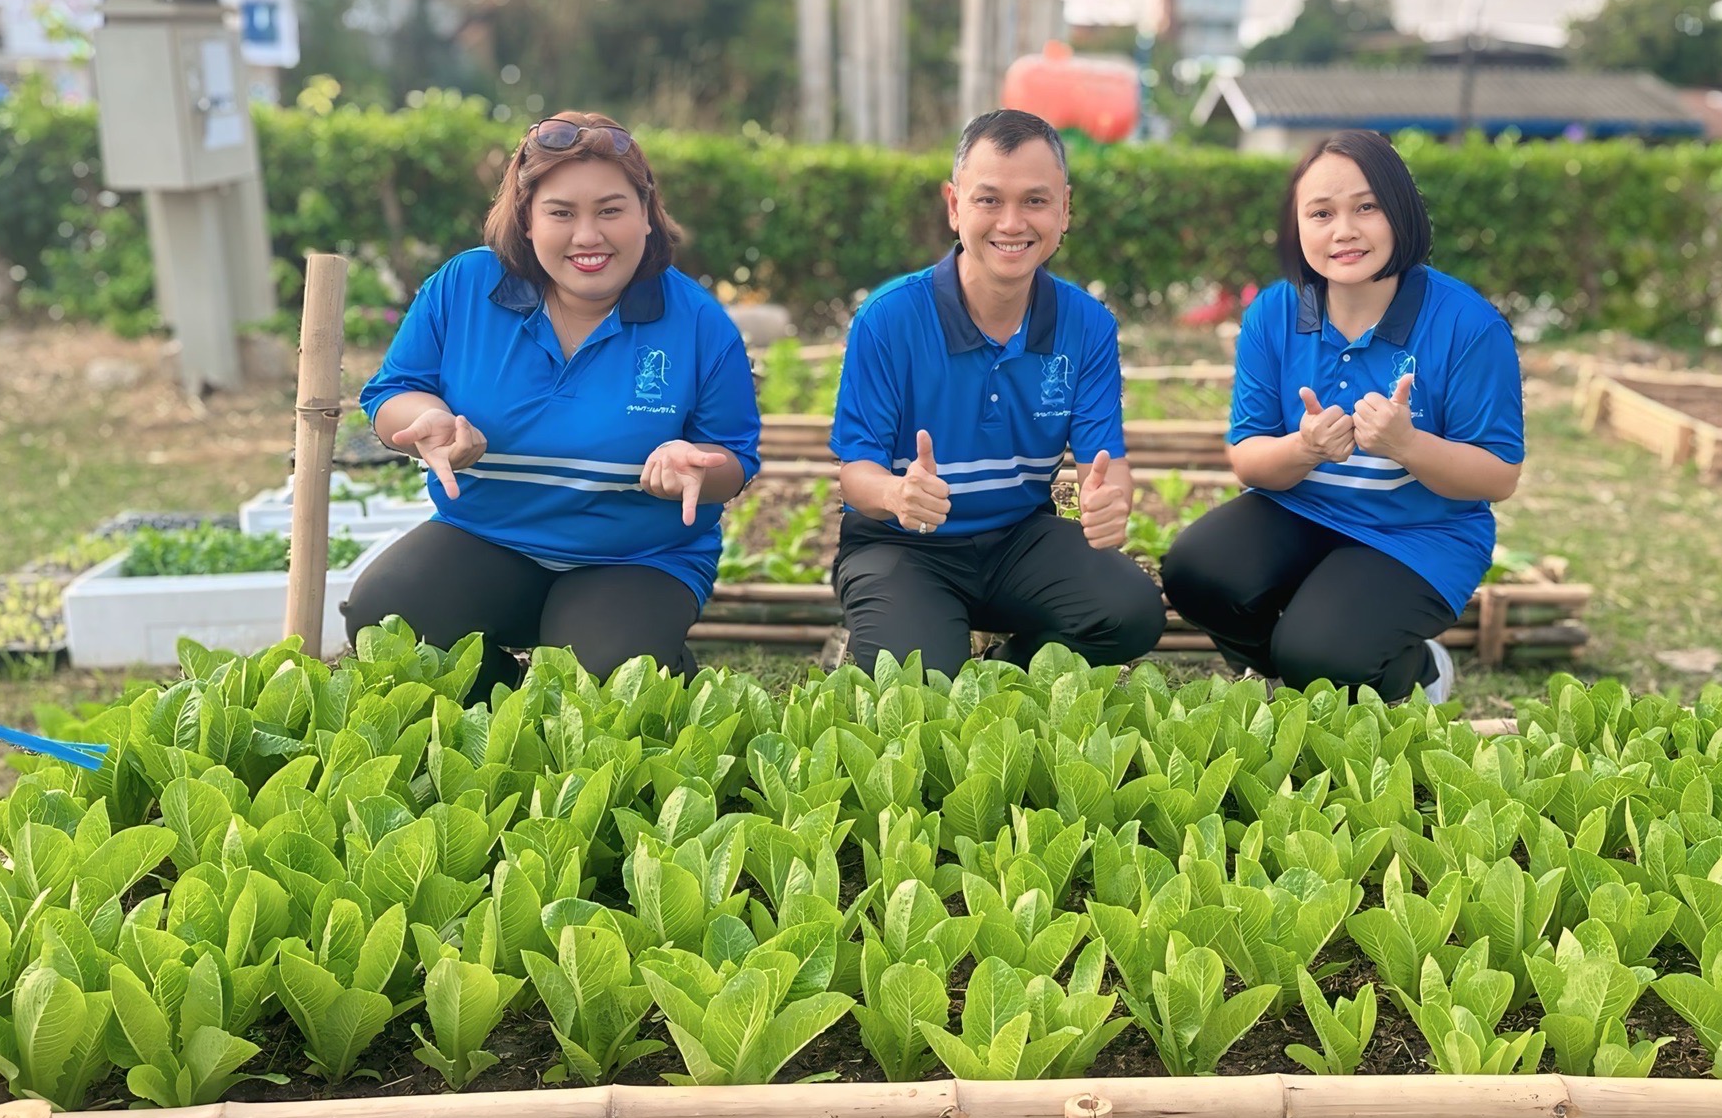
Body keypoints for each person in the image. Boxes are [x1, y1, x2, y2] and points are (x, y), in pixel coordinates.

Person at [345, 112, 761, 694]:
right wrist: (426, 420)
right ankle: (495, 697)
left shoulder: (696, 321)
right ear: (527, 218)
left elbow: (736, 458)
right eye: (561, 213)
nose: (587, 236)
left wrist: (697, 466)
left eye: (610, 210)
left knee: (609, 678)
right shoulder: (464, 287)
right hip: (487, 537)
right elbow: (392, 392)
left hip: (634, 556)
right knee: (386, 618)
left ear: (646, 215)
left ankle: (653, 663)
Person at [1161, 129, 1523, 701]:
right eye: (1321, 213)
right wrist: (1302, 448)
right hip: (1301, 510)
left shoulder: (1468, 325)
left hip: (1417, 535)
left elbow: (1499, 476)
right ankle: (1290, 671)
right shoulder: (1276, 313)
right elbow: (1248, 459)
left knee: (1321, 652)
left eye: (1367, 207)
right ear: (1296, 226)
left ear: (1400, 212)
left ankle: (1419, 670)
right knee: (1194, 570)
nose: (1344, 230)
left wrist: (1409, 445)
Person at [829, 107, 1165, 676]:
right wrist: (896, 496)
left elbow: (1103, 464)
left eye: (1035, 201)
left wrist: (1110, 504)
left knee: (1130, 611)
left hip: (1019, 540)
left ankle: (1007, 667)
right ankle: (930, 636)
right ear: (955, 206)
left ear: (1065, 209)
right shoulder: (889, 317)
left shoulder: (1087, 325)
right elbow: (855, 473)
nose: (1012, 223)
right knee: (918, 684)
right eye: (989, 200)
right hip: (903, 546)